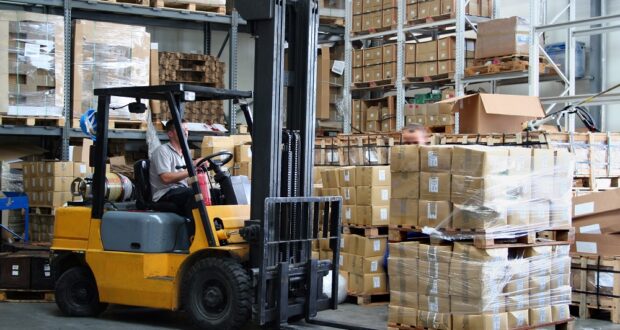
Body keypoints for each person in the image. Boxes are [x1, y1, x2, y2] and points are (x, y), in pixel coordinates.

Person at [149, 120, 197, 222]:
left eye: (187, 130)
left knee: (214, 193)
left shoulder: (185, 153)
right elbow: (165, 178)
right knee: (194, 194)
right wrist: (192, 169)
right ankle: (192, 231)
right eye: (182, 130)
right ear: (170, 134)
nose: (185, 132)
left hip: (180, 191)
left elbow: (187, 180)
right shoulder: (162, 151)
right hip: (165, 193)